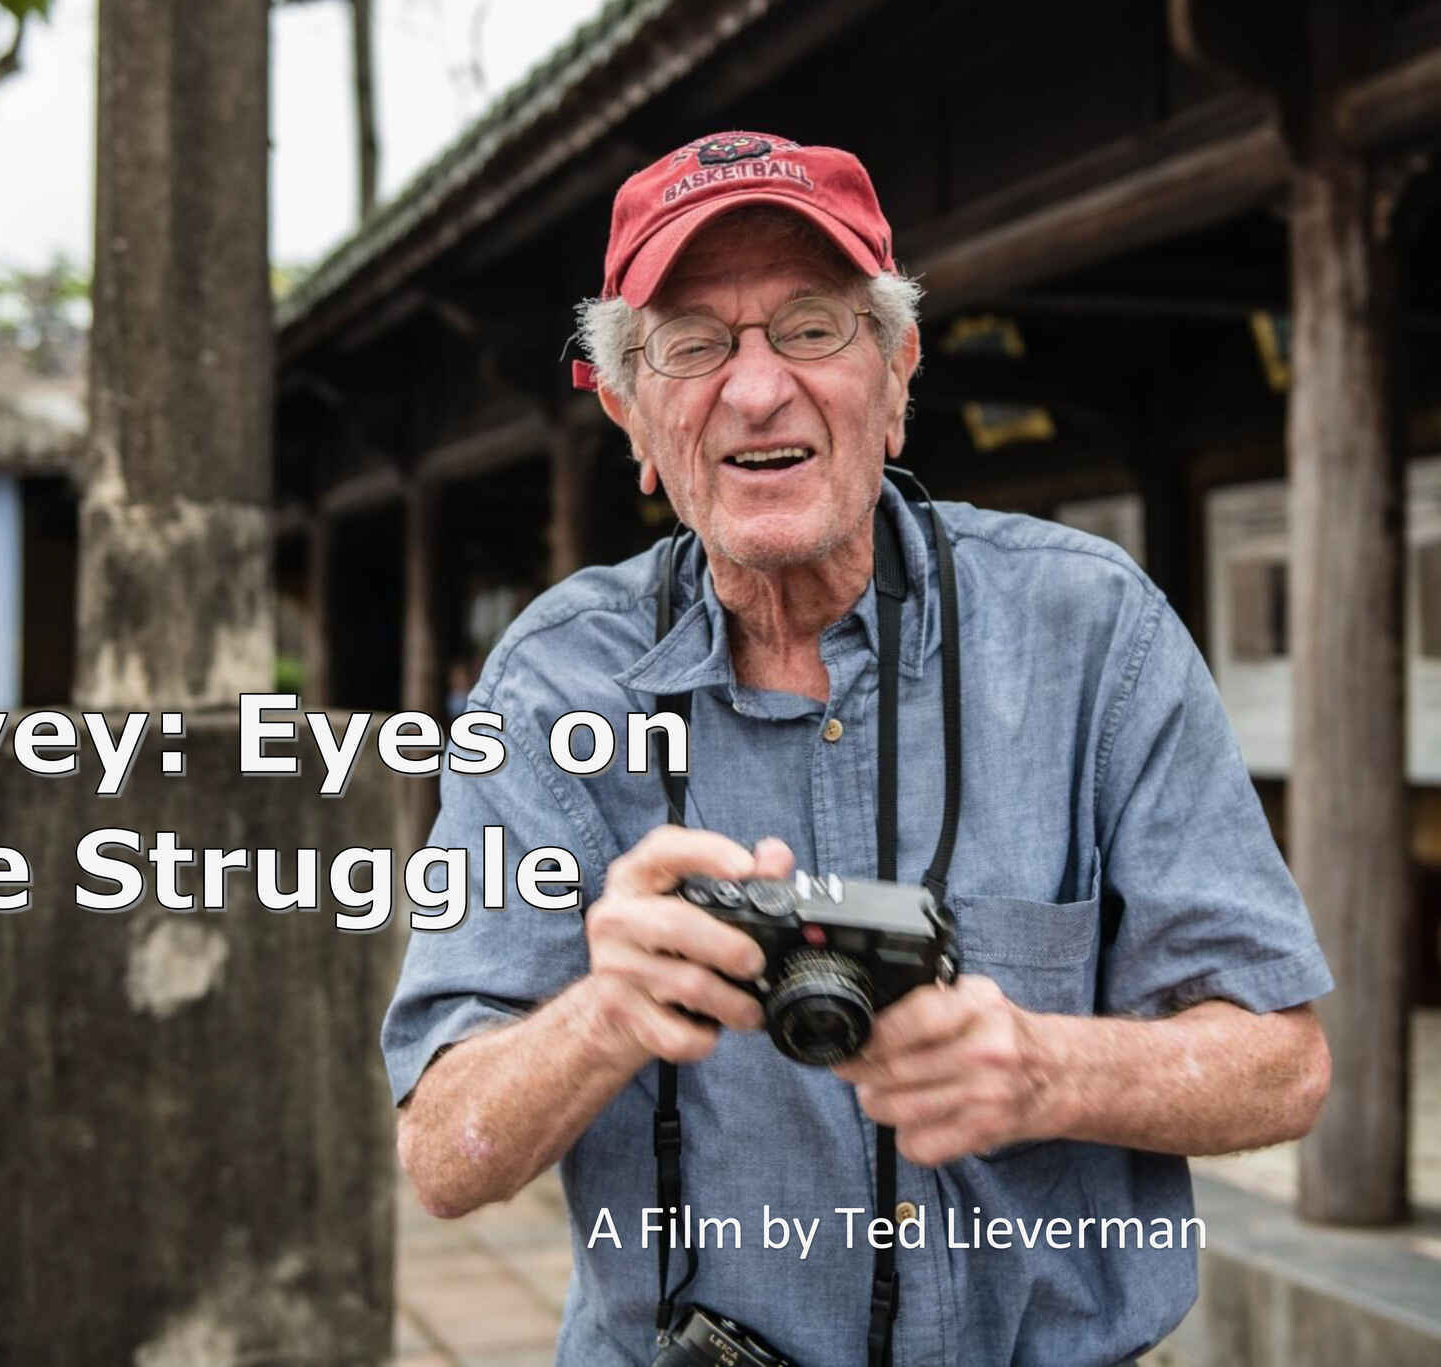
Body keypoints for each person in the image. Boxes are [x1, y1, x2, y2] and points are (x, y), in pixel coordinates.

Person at [380, 132, 1333, 1366]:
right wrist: (608, 1011)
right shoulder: (553, 684)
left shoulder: (1090, 630)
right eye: (692, 343)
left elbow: (1284, 1064)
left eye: (812, 327)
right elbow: (444, 1155)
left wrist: (1050, 1067)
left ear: (896, 375)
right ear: (630, 414)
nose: (756, 388)